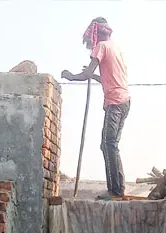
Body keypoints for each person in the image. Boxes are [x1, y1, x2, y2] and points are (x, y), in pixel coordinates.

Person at [62, 17, 130, 199]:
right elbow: (109, 79)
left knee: (108, 144)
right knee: (112, 145)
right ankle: (119, 188)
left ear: (97, 32)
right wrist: (93, 76)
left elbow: (85, 74)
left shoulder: (102, 46)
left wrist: (71, 76)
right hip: (124, 101)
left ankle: (114, 191)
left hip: (115, 102)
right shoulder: (116, 48)